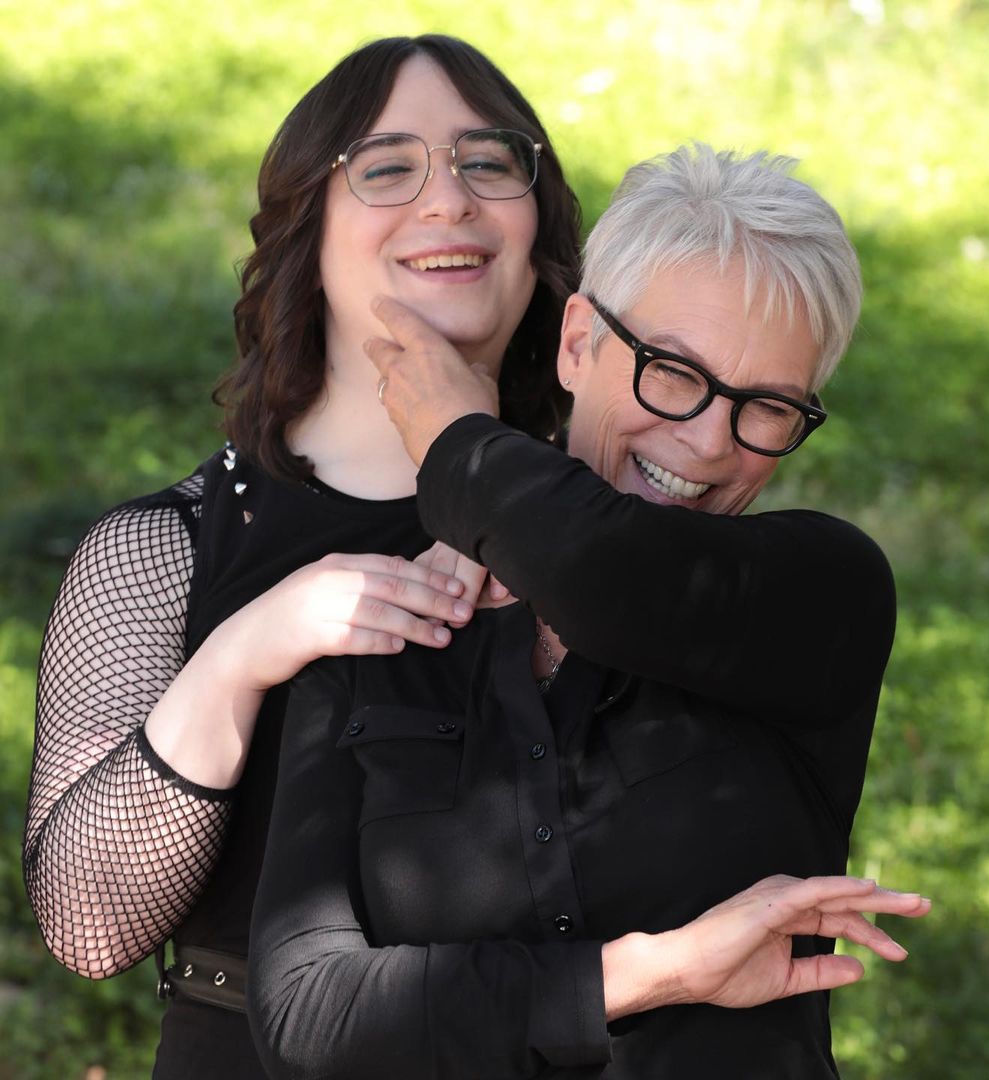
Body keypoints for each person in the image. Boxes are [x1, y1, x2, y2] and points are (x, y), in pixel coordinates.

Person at [247, 147, 926, 1078]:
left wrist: (458, 443)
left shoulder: (820, 595)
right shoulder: (385, 620)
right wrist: (648, 974)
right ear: (576, 343)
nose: (707, 440)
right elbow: (309, 1010)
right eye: (672, 372)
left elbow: (607, 577)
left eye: (767, 407)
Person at [22, 34, 582, 1078]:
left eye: (488, 161)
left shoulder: (600, 535)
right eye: (386, 167)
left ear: (537, 227)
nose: (449, 199)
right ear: (306, 233)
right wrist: (246, 651)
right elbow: (89, 926)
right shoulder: (164, 552)